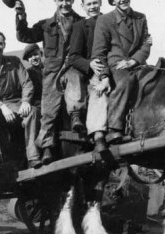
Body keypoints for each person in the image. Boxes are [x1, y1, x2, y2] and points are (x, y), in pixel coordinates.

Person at [14, 0, 83, 164]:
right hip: (52, 72)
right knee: (48, 108)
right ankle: (47, 148)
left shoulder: (82, 22)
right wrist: (21, 15)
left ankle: (76, 118)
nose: (65, 3)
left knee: (78, 86)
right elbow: (24, 35)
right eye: (61, 0)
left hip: (74, 67)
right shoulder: (46, 25)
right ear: (55, 1)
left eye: (68, 0)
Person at [92, 0, 151, 143]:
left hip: (136, 63)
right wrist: (105, 76)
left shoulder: (140, 17)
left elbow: (146, 43)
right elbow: (99, 52)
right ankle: (114, 128)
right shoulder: (104, 20)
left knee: (155, 78)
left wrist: (134, 61)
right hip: (117, 65)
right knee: (126, 81)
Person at [0, 30, 41, 173]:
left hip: (16, 104)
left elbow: (27, 83)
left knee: (33, 111)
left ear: (4, 44)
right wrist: (1, 106)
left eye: (0, 43)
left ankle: (33, 157)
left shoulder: (14, 61)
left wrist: (26, 101)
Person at [69, 0, 111, 152]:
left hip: (114, 64)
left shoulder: (110, 19)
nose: (92, 7)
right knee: (98, 89)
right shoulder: (79, 26)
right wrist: (89, 64)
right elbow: (73, 56)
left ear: (100, 3)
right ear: (83, 7)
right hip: (96, 69)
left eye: (95, 2)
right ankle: (98, 134)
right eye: (88, 4)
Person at [22, 43, 43, 108]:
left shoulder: (50, 68)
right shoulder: (27, 73)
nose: (33, 58)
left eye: (36, 54)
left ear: (41, 54)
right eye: (30, 56)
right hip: (39, 103)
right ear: (27, 59)